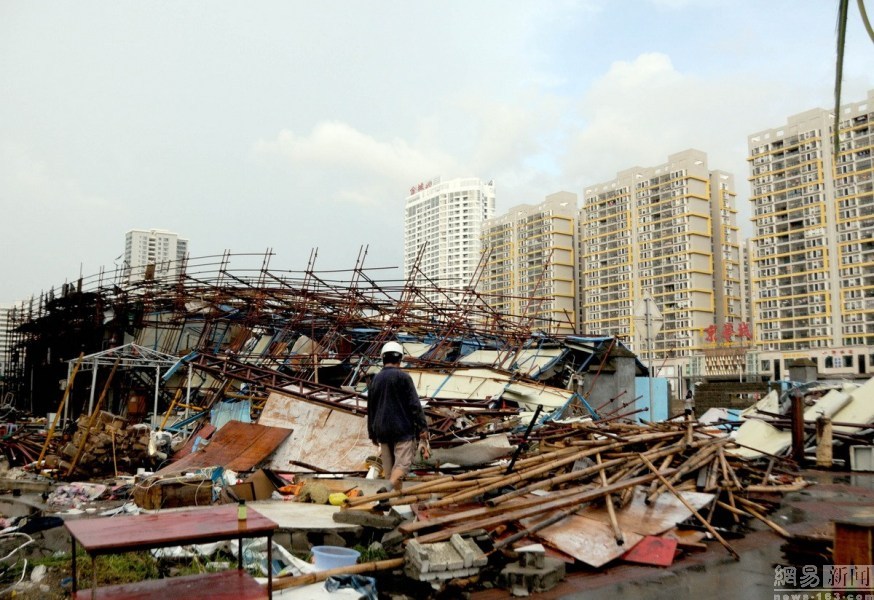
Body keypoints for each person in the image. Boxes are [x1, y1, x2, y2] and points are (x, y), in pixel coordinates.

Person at [367, 341, 429, 492]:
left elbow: (371, 409)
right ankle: (388, 487)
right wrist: (423, 428)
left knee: (390, 469)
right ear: (400, 359)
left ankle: (392, 500)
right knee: (402, 466)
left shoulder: (375, 380)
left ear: (383, 358)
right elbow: (415, 405)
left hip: (382, 430)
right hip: (402, 430)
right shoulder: (404, 378)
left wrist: (372, 433)